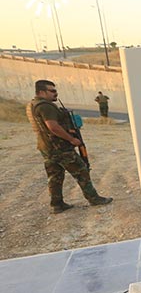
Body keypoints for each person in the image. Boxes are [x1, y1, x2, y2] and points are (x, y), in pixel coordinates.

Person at [25, 79, 113, 213]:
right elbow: (53, 127)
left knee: (55, 176)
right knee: (81, 171)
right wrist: (71, 139)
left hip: (47, 147)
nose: (55, 93)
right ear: (42, 92)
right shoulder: (45, 106)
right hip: (60, 147)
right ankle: (94, 198)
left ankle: (57, 204)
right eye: (52, 91)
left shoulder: (32, 105)